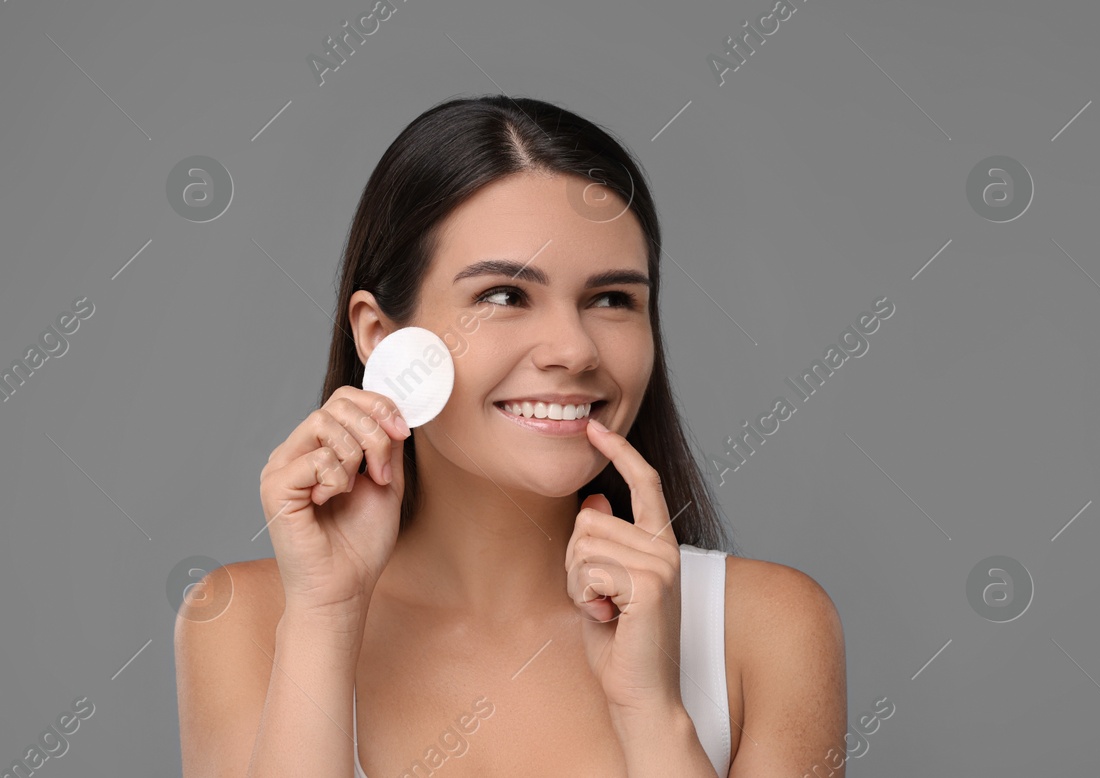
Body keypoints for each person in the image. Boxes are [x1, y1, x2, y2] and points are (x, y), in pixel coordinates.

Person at [174, 95, 846, 777]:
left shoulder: (770, 629)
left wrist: (650, 711)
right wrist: (326, 616)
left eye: (612, 299)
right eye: (504, 296)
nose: (574, 350)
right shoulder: (241, 621)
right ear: (382, 338)